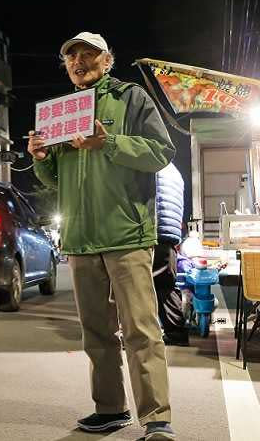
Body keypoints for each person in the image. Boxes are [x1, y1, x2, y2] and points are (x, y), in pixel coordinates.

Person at [28, 32, 177, 441]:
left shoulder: (131, 98)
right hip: (79, 237)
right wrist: (41, 158)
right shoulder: (61, 111)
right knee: (95, 332)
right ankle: (110, 409)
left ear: (107, 59)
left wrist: (108, 142)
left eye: (88, 54)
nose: (78, 61)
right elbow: (53, 175)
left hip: (126, 233)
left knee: (141, 330)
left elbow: (161, 152)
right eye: (71, 56)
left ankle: (157, 419)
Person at [154, 164, 189, 347]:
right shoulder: (175, 172)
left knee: (139, 288)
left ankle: (140, 335)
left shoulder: (151, 165)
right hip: (169, 238)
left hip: (151, 235)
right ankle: (176, 332)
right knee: (166, 287)